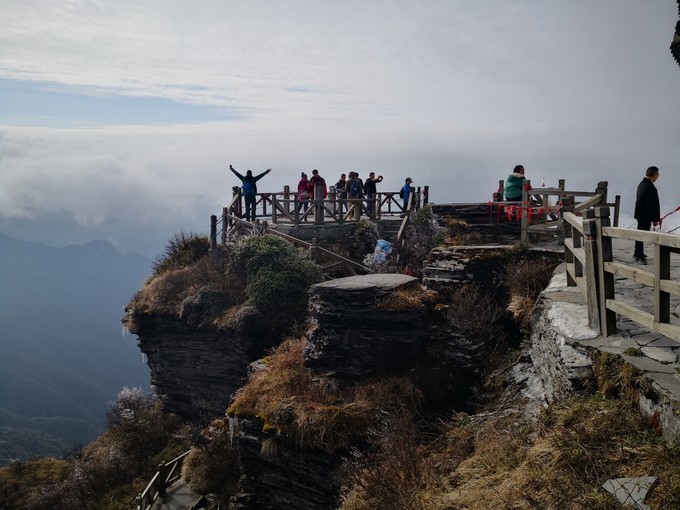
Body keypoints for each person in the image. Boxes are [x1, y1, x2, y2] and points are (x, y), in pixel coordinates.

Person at [633, 166, 661, 265]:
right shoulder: (650, 187)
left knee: (640, 233)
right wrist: (655, 219)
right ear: (653, 175)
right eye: (657, 174)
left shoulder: (642, 184)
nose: (658, 176)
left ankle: (637, 252)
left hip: (640, 214)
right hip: (645, 215)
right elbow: (653, 205)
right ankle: (639, 255)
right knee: (642, 235)